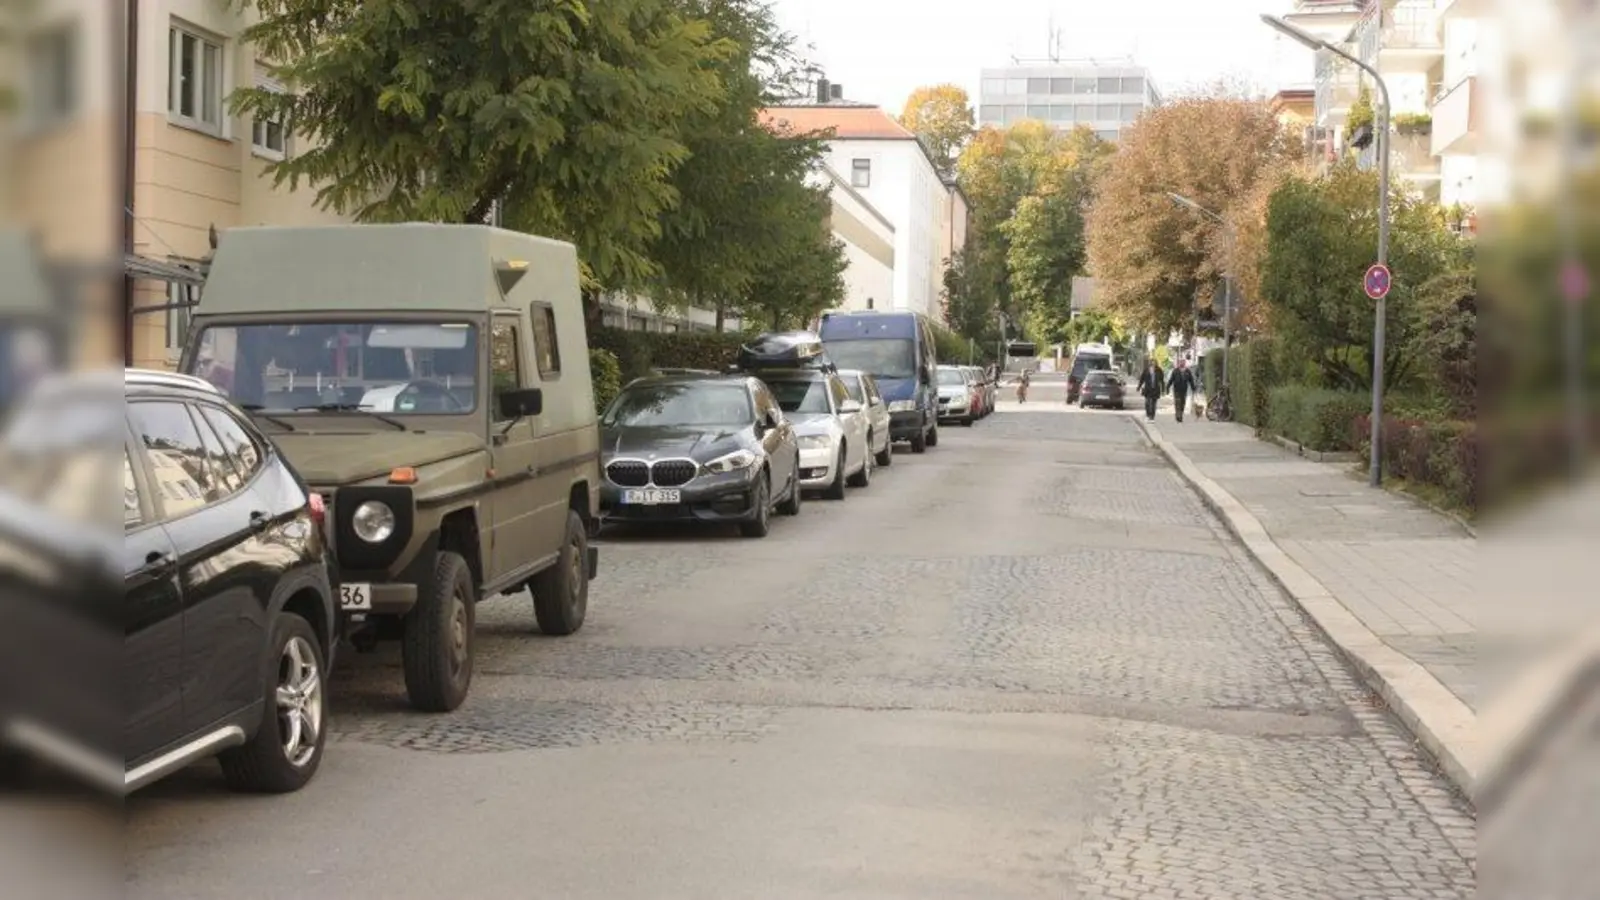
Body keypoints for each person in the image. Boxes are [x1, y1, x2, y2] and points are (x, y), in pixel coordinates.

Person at [1167, 358, 1197, 423]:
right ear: (1179, 363)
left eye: (1183, 362)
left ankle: (1180, 414)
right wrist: (1167, 387)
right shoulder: (1175, 371)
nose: (1182, 363)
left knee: (1182, 403)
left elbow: (1191, 380)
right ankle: (1178, 416)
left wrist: (1193, 388)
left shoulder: (1187, 371)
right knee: (1177, 403)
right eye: (1181, 362)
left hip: (1184, 390)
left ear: (1185, 363)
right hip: (1177, 390)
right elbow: (1171, 380)